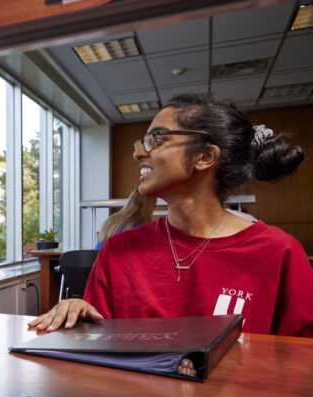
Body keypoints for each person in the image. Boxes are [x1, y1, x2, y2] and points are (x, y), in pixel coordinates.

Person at [30, 93, 312, 336]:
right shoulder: (118, 250)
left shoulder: (278, 252)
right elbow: (100, 341)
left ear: (204, 157)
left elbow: (299, 363)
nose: (139, 153)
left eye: (156, 139)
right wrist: (78, 316)